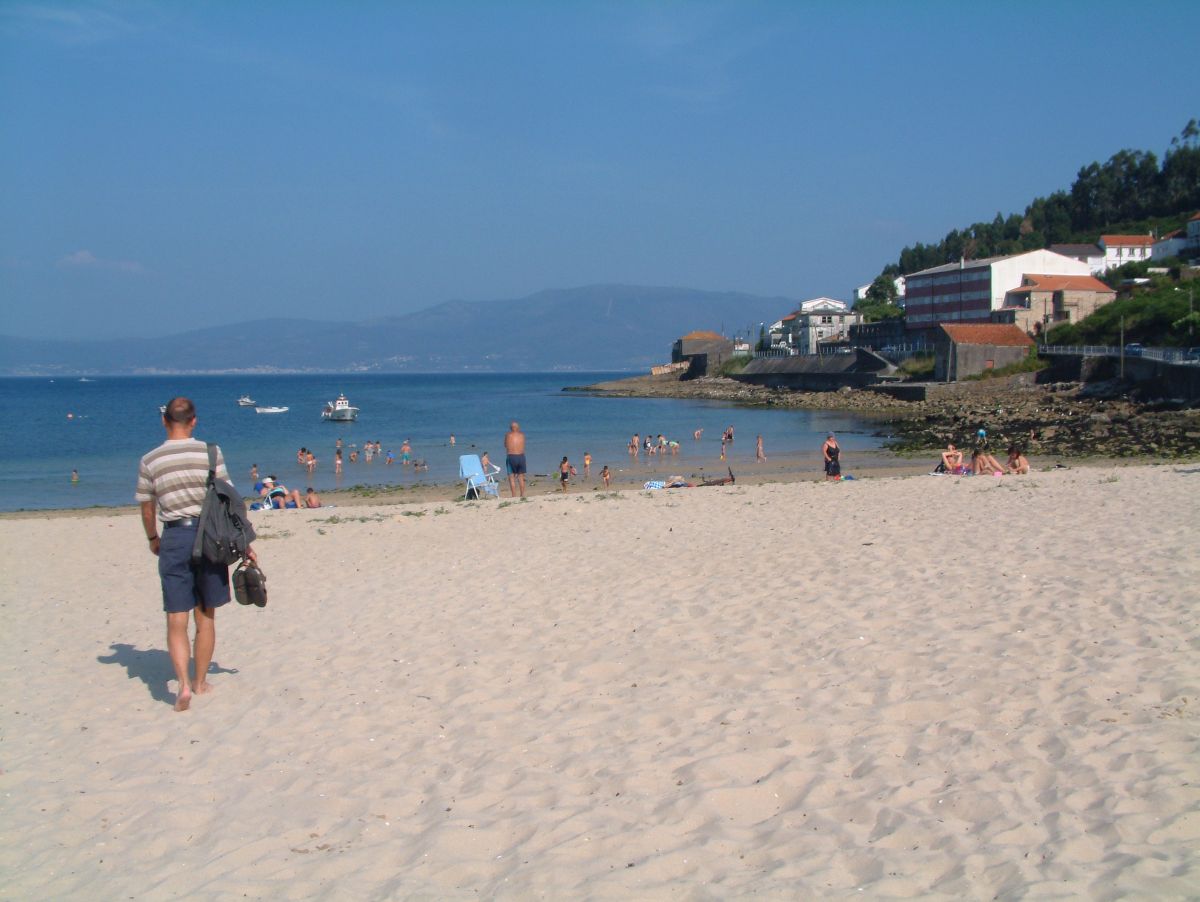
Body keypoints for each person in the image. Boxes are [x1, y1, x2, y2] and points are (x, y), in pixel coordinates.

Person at [135, 397, 256, 712]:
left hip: (174, 535)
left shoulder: (150, 460)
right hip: (210, 537)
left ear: (164, 420)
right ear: (194, 421)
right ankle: (200, 681)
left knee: (176, 618)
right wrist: (244, 542)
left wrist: (152, 537)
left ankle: (183, 687)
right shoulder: (210, 453)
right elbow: (230, 500)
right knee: (205, 616)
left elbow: (147, 506)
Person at [504, 421, 527, 498]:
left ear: (511, 428)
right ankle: (522, 495)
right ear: (518, 428)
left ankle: (514, 496)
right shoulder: (522, 435)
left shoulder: (508, 435)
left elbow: (505, 445)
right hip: (521, 456)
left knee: (511, 477)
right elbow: (523, 444)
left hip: (511, 456)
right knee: (521, 477)